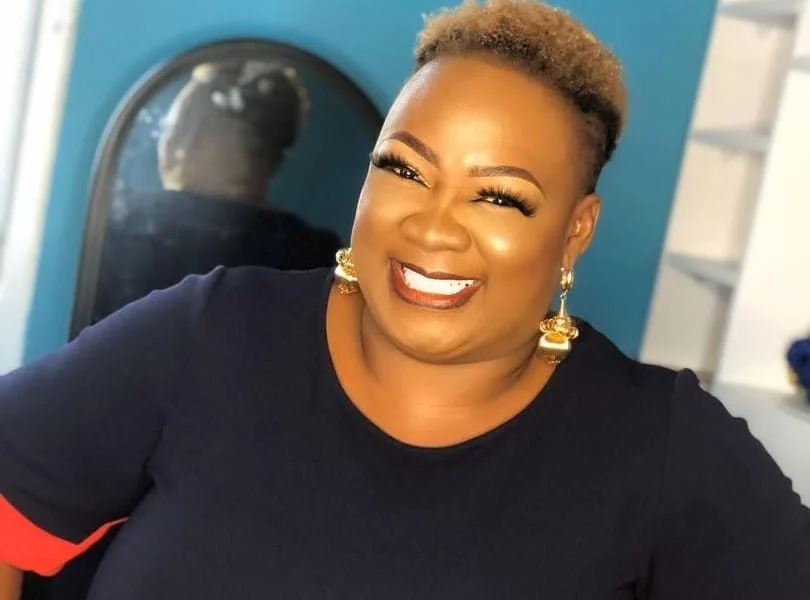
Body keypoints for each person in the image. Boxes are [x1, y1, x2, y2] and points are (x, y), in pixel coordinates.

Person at [2, 1, 809, 598]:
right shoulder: (213, 334)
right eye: (405, 169)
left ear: (575, 230)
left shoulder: (660, 449)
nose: (432, 226)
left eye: (499, 197)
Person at [90, 58, 342, 324]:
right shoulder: (319, 256)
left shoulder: (123, 228)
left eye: (177, 125)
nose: (171, 141)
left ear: (190, 135)